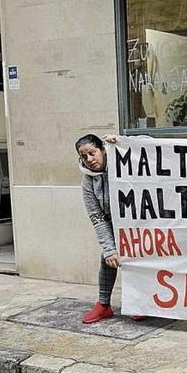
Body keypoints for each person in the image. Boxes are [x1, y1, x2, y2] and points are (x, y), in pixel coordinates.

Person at [77, 134, 145, 324]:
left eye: (92, 153)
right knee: (107, 258)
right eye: (84, 156)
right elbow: (97, 217)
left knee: (140, 259)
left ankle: (141, 302)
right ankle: (104, 304)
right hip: (112, 223)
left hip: (139, 222)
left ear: (103, 150)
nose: (90, 159)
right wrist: (109, 249)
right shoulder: (88, 182)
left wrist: (122, 141)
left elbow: (149, 146)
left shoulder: (122, 161)